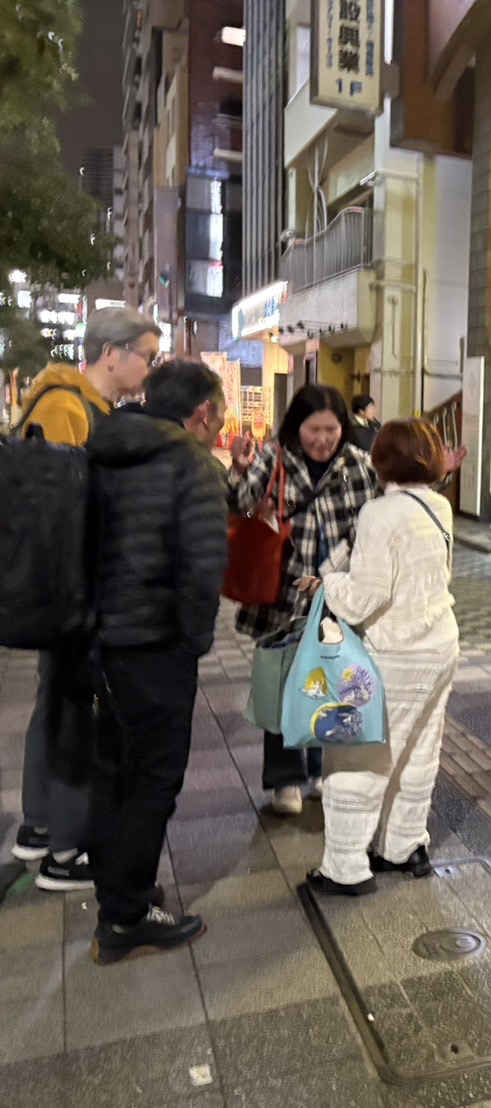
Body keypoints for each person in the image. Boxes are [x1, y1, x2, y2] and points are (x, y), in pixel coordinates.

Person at [11, 307, 162, 891]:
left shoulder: (85, 406)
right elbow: (56, 512)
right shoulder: (66, 408)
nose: (149, 368)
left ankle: (40, 829)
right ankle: (65, 852)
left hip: (70, 585)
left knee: (58, 702)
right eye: (146, 356)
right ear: (112, 354)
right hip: (69, 588)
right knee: (72, 711)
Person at [85, 359, 228, 962]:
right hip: (156, 646)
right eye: (219, 416)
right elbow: (203, 569)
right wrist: (192, 642)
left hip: (101, 641)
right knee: (154, 780)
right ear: (203, 413)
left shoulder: (104, 445)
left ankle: (119, 890)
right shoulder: (192, 464)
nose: (220, 428)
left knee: (114, 770)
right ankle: (126, 919)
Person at [306, 420, 460, 895]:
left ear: (382, 459)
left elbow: (363, 599)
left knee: (359, 757)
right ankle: (404, 845)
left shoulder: (379, 513)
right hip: (440, 644)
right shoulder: (439, 506)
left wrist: (330, 579)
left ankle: (345, 867)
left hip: (396, 654)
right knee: (418, 751)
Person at [228, 384, 378, 816]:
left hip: (337, 597)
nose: (323, 439)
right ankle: (285, 781)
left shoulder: (358, 464)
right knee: (282, 687)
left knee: (329, 683)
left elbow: (375, 520)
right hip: (282, 594)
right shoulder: (274, 457)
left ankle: (320, 771)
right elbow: (241, 505)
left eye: (331, 430)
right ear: (297, 427)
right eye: (314, 430)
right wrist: (239, 472)